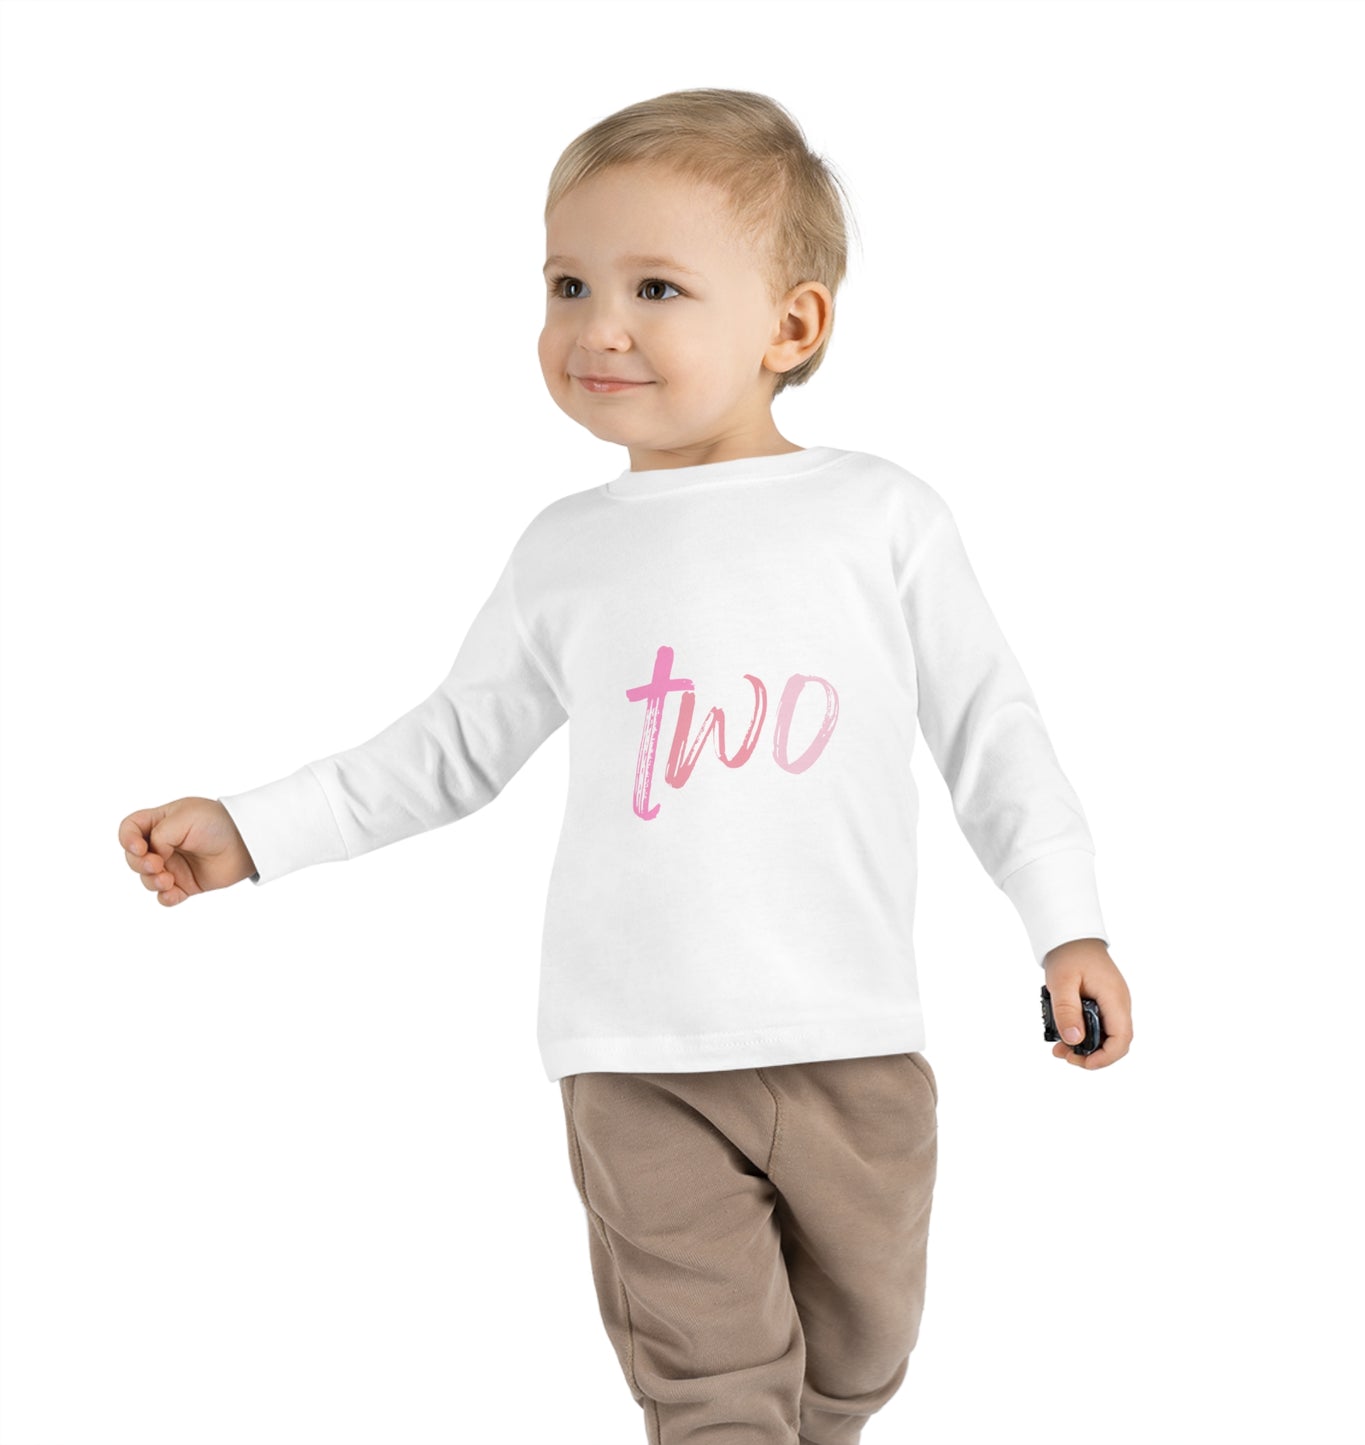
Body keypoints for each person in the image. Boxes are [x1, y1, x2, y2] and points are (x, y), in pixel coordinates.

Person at [117, 88, 1134, 1445]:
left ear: (792, 327)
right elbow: (451, 745)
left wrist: (1067, 925)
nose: (599, 326)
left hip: (852, 1040)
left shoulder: (879, 517)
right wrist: (253, 828)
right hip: (634, 1052)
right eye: (568, 284)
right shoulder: (568, 549)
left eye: (656, 287)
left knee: (859, 1356)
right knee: (712, 1385)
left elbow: (991, 728)